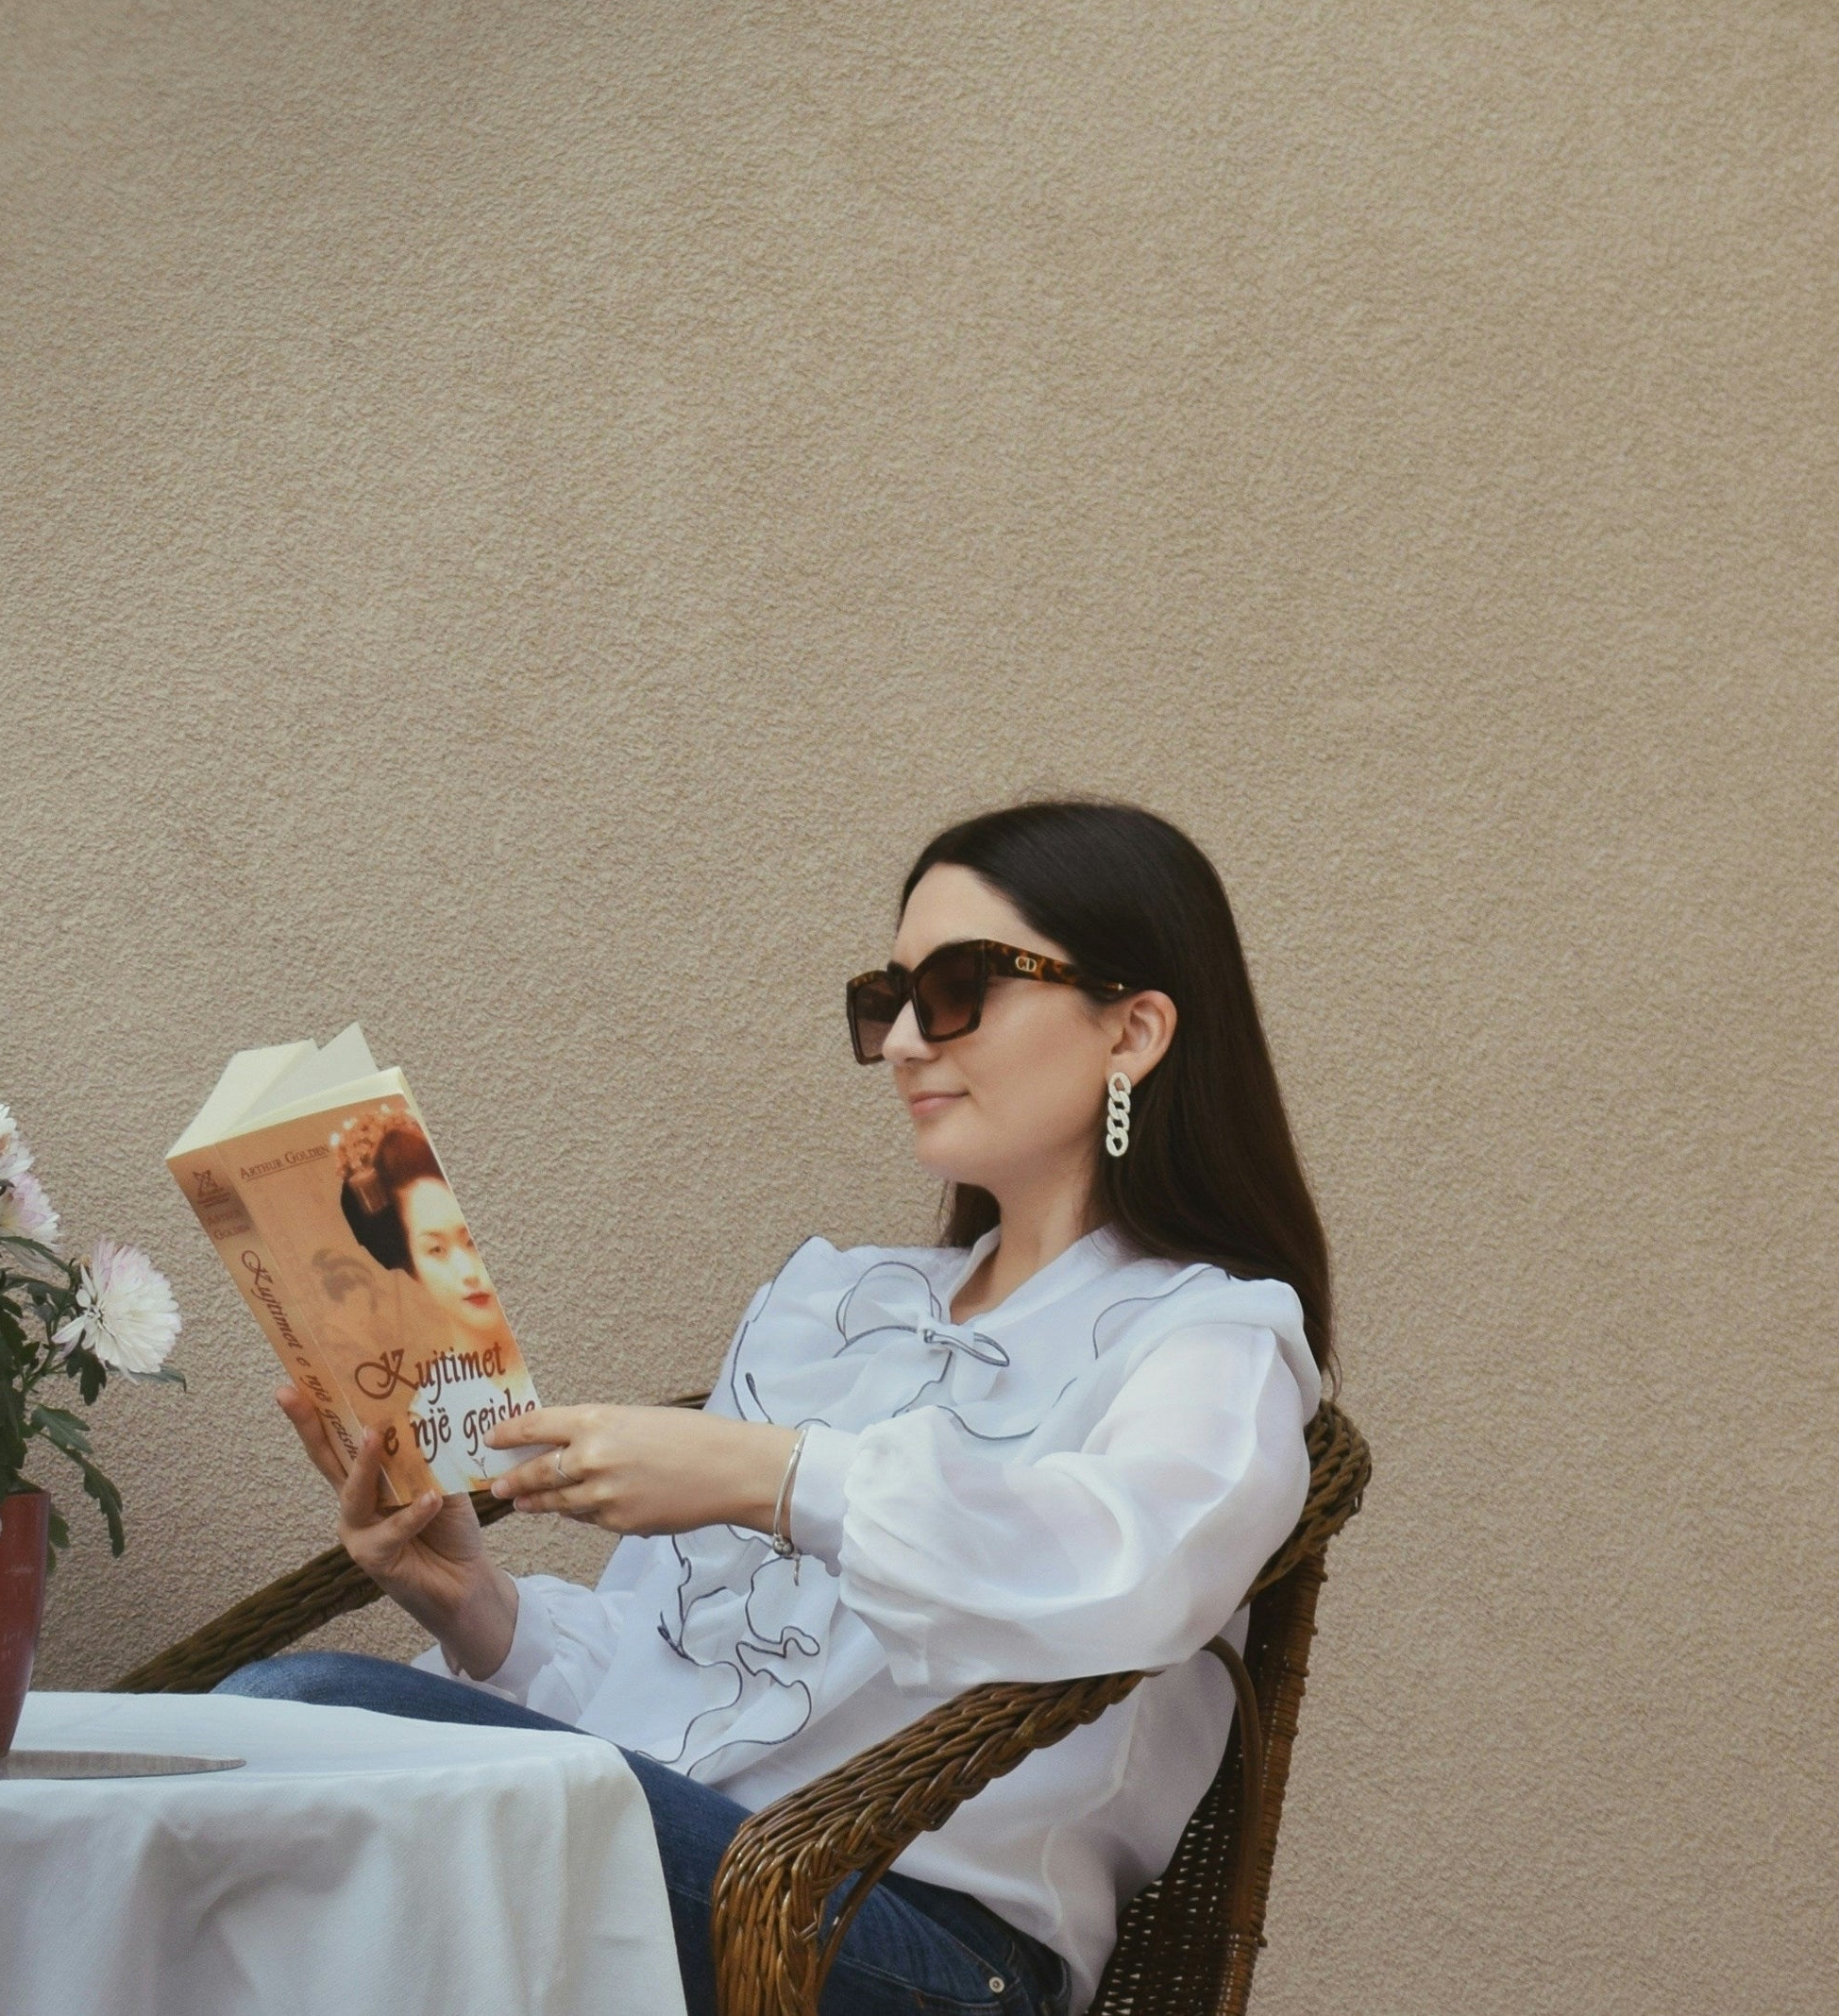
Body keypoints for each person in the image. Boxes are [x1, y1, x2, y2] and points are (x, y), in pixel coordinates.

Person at [220, 800, 1333, 2016]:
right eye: (887, 996)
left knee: (288, 1724)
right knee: (214, 1766)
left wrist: (778, 1477)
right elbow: (678, 1673)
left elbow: (1137, 1568)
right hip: (686, 1855)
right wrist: (475, 1605)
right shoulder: (835, 1306)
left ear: (1133, 1029)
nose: (903, 1039)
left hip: (915, 1941)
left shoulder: (1209, 1336)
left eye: (957, 986)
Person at [337, 1101, 526, 1381]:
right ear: (411, 1263)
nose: (468, 1273)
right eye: (435, 1249)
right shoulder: (434, 1410)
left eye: (472, 1241)